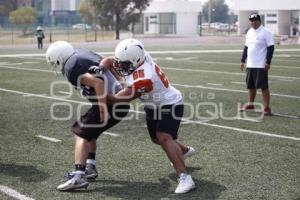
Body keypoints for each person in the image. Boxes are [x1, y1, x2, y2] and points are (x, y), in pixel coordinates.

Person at [102, 38, 196, 194]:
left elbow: (116, 99)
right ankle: (184, 151)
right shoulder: (140, 56)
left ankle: (185, 177)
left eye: (124, 64)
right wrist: (100, 68)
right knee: (156, 139)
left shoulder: (145, 77)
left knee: (163, 136)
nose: (120, 67)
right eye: (121, 63)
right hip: (153, 105)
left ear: (135, 61)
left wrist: (96, 90)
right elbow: (111, 61)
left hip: (170, 103)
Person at [45, 41, 129, 191]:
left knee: (80, 134)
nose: (54, 65)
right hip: (116, 102)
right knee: (89, 132)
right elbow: (107, 62)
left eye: (54, 62)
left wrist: (103, 109)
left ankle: (79, 176)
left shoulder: (71, 68)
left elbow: (98, 83)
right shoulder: (82, 53)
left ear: (59, 58)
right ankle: (90, 167)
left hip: (111, 104)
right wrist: (120, 82)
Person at [240, 13, 275, 116]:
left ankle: (267, 108)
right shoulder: (249, 32)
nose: (253, 23)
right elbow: (246, 47)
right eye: (252, 21)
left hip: (261, 64)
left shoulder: (266, 32)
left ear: (260, 21)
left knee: (264, 87)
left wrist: (268, 62)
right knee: (251, 86)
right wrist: (243, 60)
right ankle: (250, 104)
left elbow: (271, 48)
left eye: (255, 20)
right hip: (250, 64)